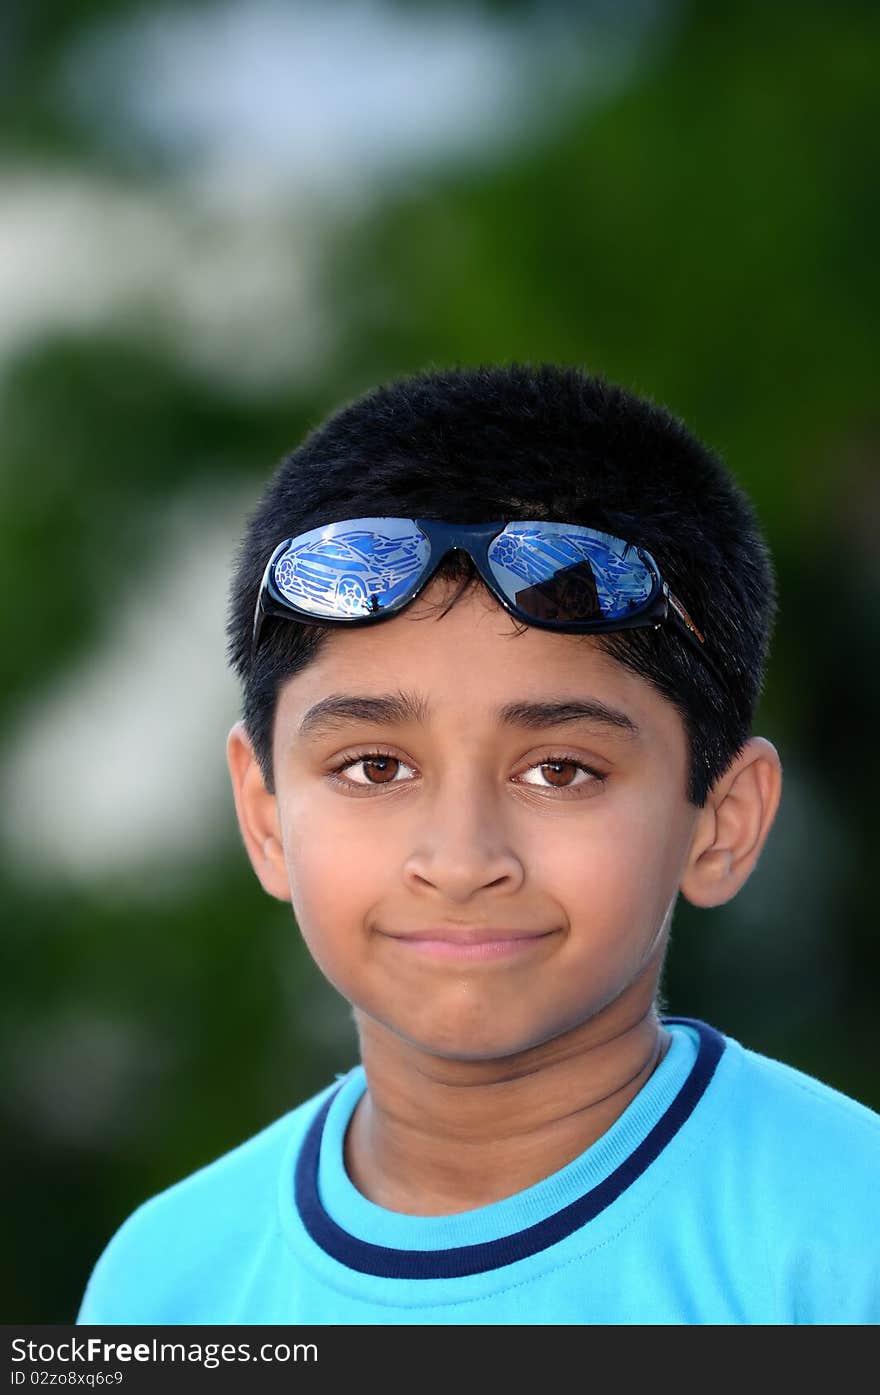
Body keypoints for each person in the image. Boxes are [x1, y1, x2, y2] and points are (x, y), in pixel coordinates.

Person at [77, 363, 879, 1325]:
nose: (460, 860)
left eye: (560, 770)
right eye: (375, 767)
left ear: (722, 820)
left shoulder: (842, 1243)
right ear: (263, 813)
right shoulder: (167, 1282)